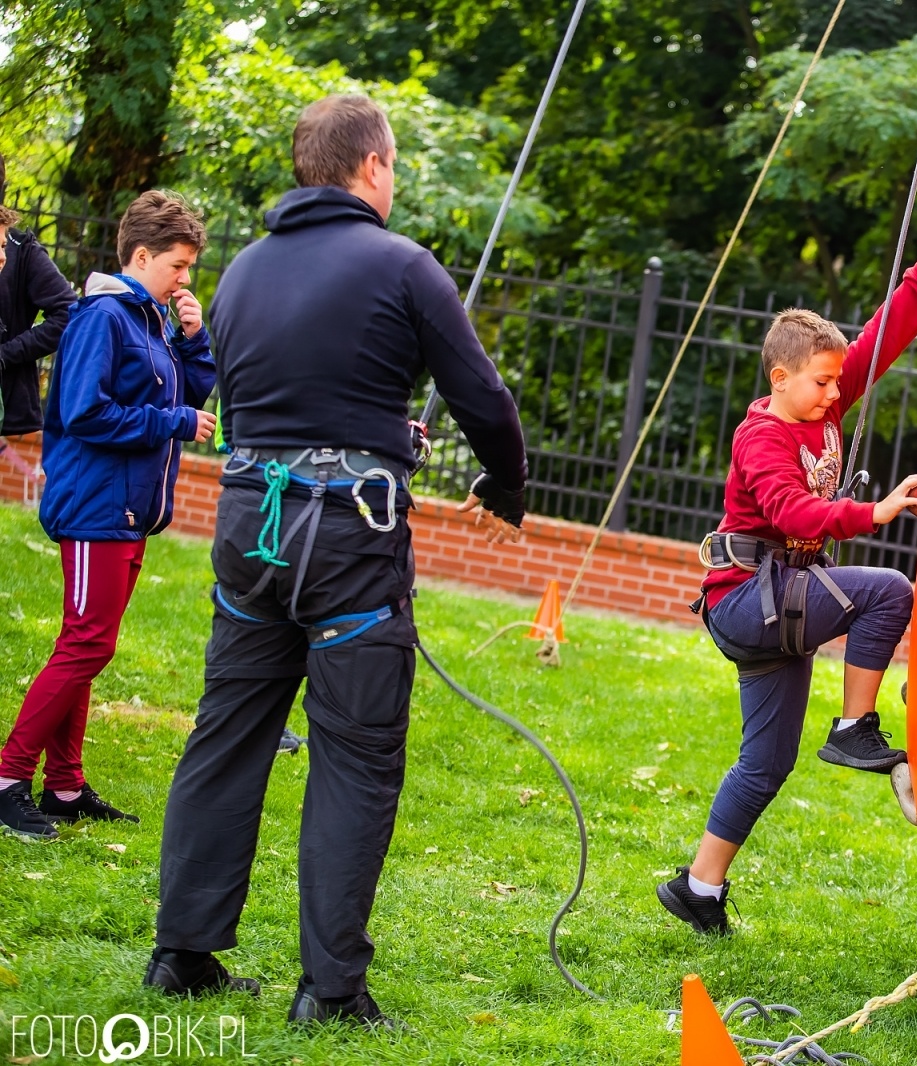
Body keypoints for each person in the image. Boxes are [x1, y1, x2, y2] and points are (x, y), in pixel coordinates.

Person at [146, 94, 528, 1027]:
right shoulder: (404, 266)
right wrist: (507, 489)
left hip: (251, 531)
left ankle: (181, 953)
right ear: (369, 168)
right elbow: (485, 400)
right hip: (347, 543)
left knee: (226, 733)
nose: (392, 180)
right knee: (356, 755)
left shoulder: (237, 275)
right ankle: (330, 990)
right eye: (392, 166)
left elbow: (267, 395)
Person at [657, 211, 917, 934]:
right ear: (782, 377)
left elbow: (880, 340)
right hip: (746, 600)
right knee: (889, 592)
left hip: (778, 603)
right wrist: (875, 511)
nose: (835, 394)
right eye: (823, 383)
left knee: (766, 764)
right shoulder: (762, 436)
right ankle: (855, 725)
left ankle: (698, 891)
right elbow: (794, 515)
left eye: (836, 382)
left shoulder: (825, 400)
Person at [0, 191, 216, 842]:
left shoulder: (147, 318)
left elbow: (187, 391)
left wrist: (193, 335)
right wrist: (171, 420)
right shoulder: (104, 317)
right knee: (86, 644)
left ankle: (64, 785)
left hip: (127, 509)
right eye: (177, 265)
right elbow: (85, 410)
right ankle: (10, 777)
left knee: (87, 646)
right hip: (95, 504)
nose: (184, 278)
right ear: (141, 255)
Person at [0, 199, 77, 445]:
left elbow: (68, 313)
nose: (3, 258)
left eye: (3, 248)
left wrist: (5, 354)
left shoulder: (21, 250)